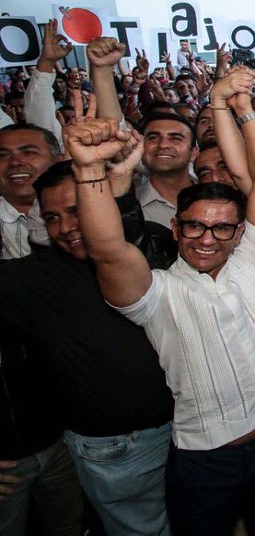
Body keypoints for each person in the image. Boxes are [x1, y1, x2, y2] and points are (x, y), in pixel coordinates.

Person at [69, 67, 255, 535]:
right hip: (207, 463)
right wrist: (87, 170)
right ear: (177, 228)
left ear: (239, 231)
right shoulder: (157, 293)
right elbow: (108, 249)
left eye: (222, 227)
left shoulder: (253, 257)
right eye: (195, 226)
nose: (207, 238)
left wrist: (238, 109)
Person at [1, 151, 177, 535]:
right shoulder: (29, 280)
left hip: (187, 432)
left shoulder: (156, 246)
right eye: (52, 217)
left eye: (77, 209)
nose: (65, 227)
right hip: (115, 449)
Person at [0, 124, 59, 259]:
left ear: (58, 159)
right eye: (2, 155)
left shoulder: (86, 214)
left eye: (28, 153)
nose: (15, 162)